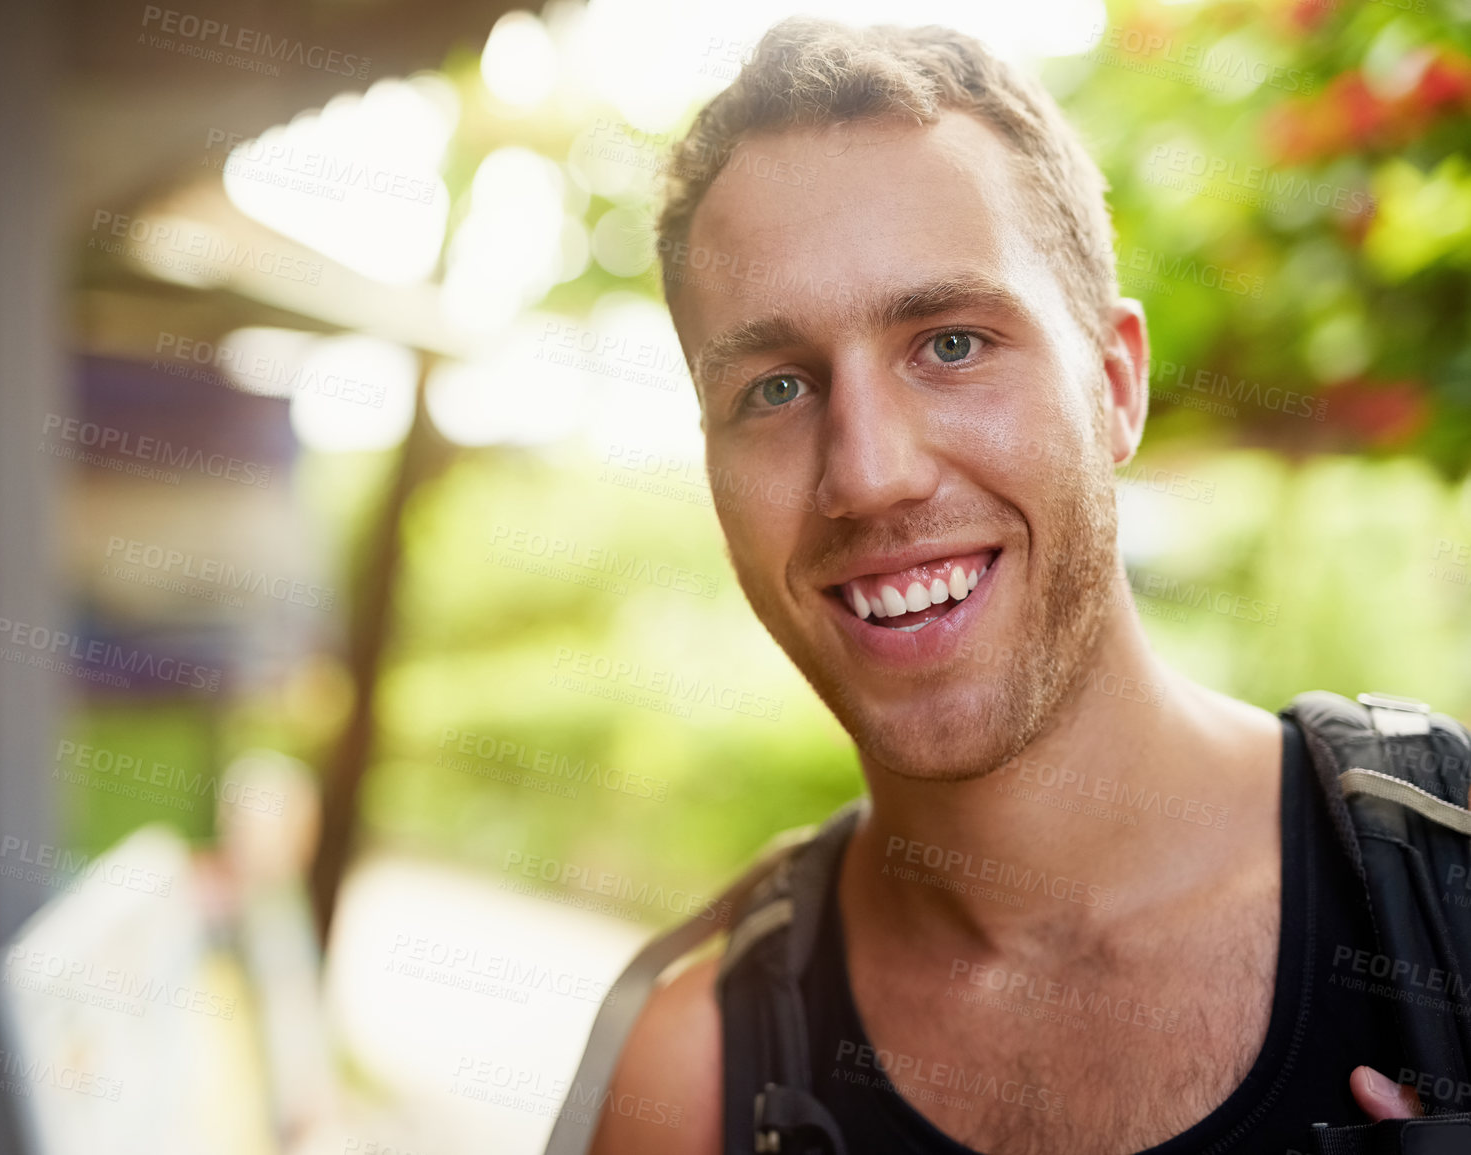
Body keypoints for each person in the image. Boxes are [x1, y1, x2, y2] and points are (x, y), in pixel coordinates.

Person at [589, 18, 1447, 1155]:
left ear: (1117, 386)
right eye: (777, 387)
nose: (869, 476)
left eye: (950, 344)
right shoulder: (694, 1079)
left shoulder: (1447, 896)